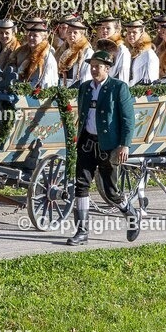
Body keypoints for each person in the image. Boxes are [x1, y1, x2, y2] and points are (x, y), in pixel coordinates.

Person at [67, 49, 140, 246]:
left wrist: (124, 145)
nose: (93, 69)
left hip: (109, 146)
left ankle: (130, 212)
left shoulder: (118, 88)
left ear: (107, 68)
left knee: (111, 192)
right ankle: (81, 232)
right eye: (91, 66)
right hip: (87, 142)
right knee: (81, 185)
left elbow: (128, 119)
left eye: (98, 66)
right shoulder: (85, 88)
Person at [16, 20, 59, 89]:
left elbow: (47, 82)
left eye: (35, 36)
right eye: (30, 35)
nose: (31, 38)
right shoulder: (25, 53)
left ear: (43, 38)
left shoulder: (47, 57)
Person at [93, 15, 131, 84]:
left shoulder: (122, 50)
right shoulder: (100, 49)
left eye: (108, 28)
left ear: (116, 30)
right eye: (103, 28)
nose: (104, 30)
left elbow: (122, 76)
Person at [58, 17, 93, 87]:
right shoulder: (64, 50)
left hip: (77, 90)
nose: (71, 35)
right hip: (62, 89)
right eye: (69, 32)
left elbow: (86, 77)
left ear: (81, 35)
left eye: (75, 33)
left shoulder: (87, 51)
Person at [122, 19, 159, 85]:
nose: (131, 35)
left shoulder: (148, 54)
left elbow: (149, 81)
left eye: (134, 32)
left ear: (141, 34)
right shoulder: (129, 52)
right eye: (129, 32)